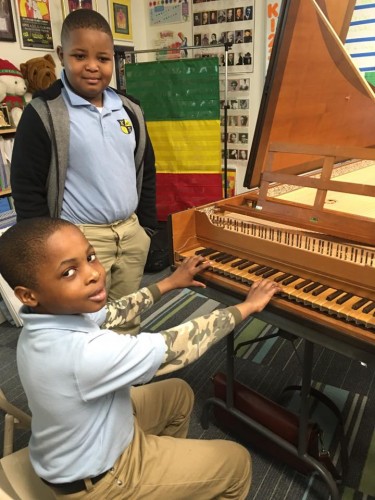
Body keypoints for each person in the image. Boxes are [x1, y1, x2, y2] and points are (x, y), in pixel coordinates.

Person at [0, 217, 281, 499]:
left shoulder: (43, 319)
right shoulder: (85, 353)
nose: (94, 273)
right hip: (102, 480)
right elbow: (178, 345)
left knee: (179, 394)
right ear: (28, 295)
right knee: (237, 462)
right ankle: (145, 482)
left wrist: (170, 283)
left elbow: (116, 311)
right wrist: (247, 307)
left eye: (91, 257)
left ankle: (166, 485)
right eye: (69, 272)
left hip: (80, 447)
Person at [10, 9, 157, 334]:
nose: (92, 66)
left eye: (102, 58)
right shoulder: (43, 114)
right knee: (82, 327)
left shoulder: (129, 109)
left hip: (131, 235)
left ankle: (124, 381)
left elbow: (146, 168)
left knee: (126, 317)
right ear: (62, 56)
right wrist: (45, 251)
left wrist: (146, 227)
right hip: (80, 241)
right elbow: (26, 187)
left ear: (112, 61)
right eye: (80, 55)